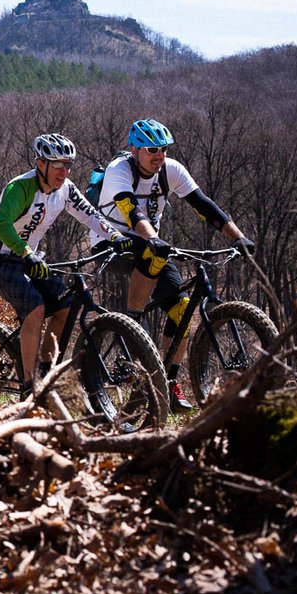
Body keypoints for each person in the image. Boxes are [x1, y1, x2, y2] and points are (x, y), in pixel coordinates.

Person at [88, 118, 256, 410]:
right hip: (111, 244)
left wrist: (238, 237)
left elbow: (203, 204)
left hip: (153, 246)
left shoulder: (171, 170)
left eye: (163, 149)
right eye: (152, 149)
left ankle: (168, 383)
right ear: (134, 149)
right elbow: (131, 211)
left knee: (182, 311)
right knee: (151, 253)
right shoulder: (119, 170)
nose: (159, 155)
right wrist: (154, 238)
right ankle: (132, 323)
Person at [0, 134, 129, 391]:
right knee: (35, 307)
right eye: (57, 165)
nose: (64, 171)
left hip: (27, 257)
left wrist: (113, 235)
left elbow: (89, 214)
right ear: (40, 163)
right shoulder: (20, 188)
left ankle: (45, 372)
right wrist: (26, 252)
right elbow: (2, 224)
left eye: (68, 164)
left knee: (66, 307)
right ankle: (29, 385)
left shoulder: (65, 188)